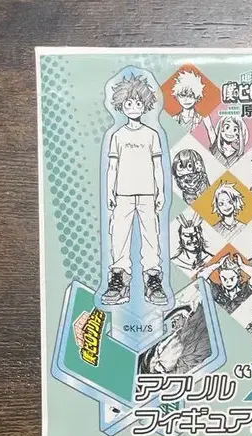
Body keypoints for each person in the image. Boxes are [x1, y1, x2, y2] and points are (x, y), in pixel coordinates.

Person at [101, 73, 168, 306]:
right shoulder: (117, 136)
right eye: (128, 103)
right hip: (122, 194)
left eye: (138, 103)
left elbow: (158, 166)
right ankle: (119, 279)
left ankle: (153, 280)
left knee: (151, 237)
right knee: (119, 236)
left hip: (148, 194)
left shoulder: (152, 135)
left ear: (145, 104)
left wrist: (161, 192)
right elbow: (112, 166)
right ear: (121, 105)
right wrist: (110, 192)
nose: (133, 107)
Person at [170, 69, 216, 143]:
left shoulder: (203, 119)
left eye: (190, 96)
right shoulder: (174, 119)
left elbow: (212, 135)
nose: (186, 100)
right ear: (177, 97)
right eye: (182, 95)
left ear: (197, 97)